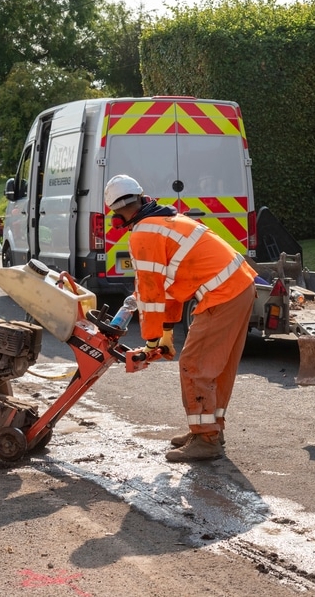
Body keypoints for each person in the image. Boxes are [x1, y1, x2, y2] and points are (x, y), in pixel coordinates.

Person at [104, 174, 257, 463]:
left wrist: (150, 342)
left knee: (194, 365)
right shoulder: (166, 220)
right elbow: (172, 289)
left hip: (223, 294)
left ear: (114, 212)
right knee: (216, 367)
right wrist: (167, 332)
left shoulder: (144, 234)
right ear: (141, 197)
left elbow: (150, 296)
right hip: (240, 287)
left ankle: (206, 439)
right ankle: (210, 429)